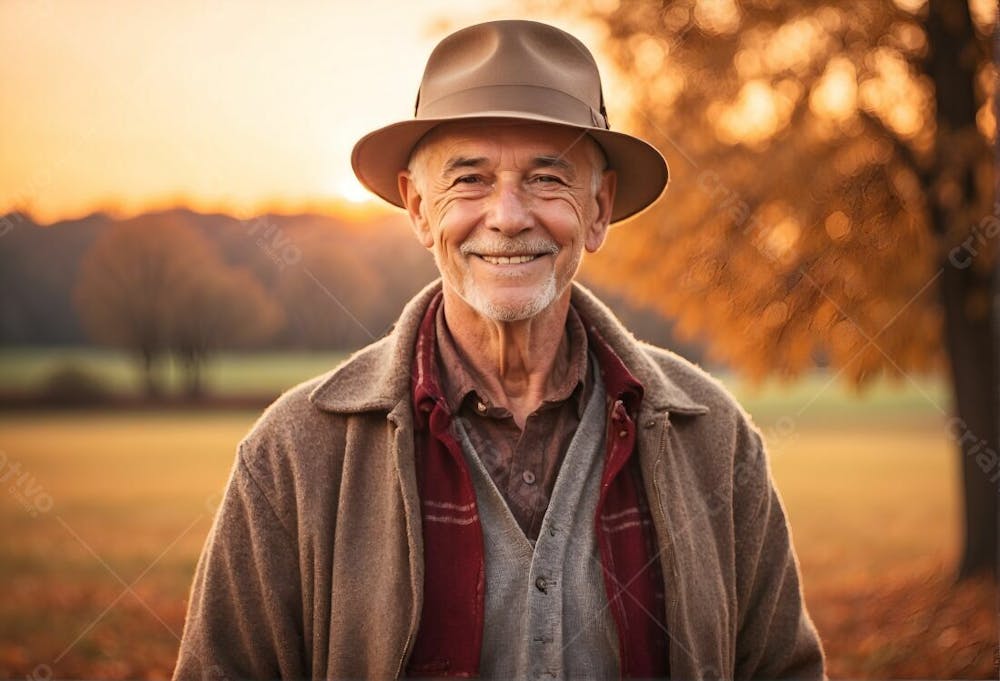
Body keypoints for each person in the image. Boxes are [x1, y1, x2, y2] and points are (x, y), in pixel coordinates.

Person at [173, 19, 825, 680]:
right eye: (470, 180)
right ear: (419, 208)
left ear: (598, 209)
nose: (509, 216)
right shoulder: (293, 453)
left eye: (547, 178)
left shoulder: (715, 439)